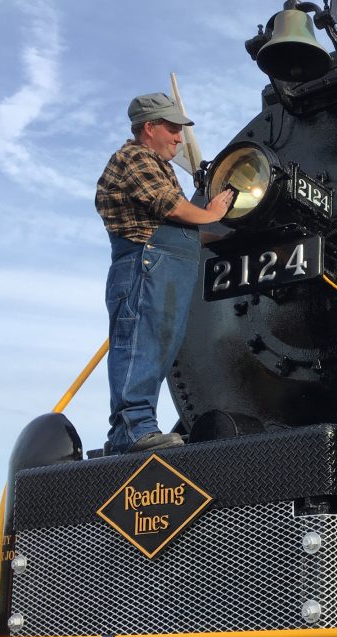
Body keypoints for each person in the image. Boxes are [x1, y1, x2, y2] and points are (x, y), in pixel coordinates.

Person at [95, 92, 233, 454]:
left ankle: (139, 427)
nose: (178, 137)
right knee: (140, 343)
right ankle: (131, 430)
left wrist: (225, 234)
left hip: (163, 268)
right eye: (172, 129)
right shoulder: (134, 157)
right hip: (143, 266)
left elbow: (181, 228)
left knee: (159, 348)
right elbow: (169, 206)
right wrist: (214, 211)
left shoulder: (160, 166)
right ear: (149, 127)